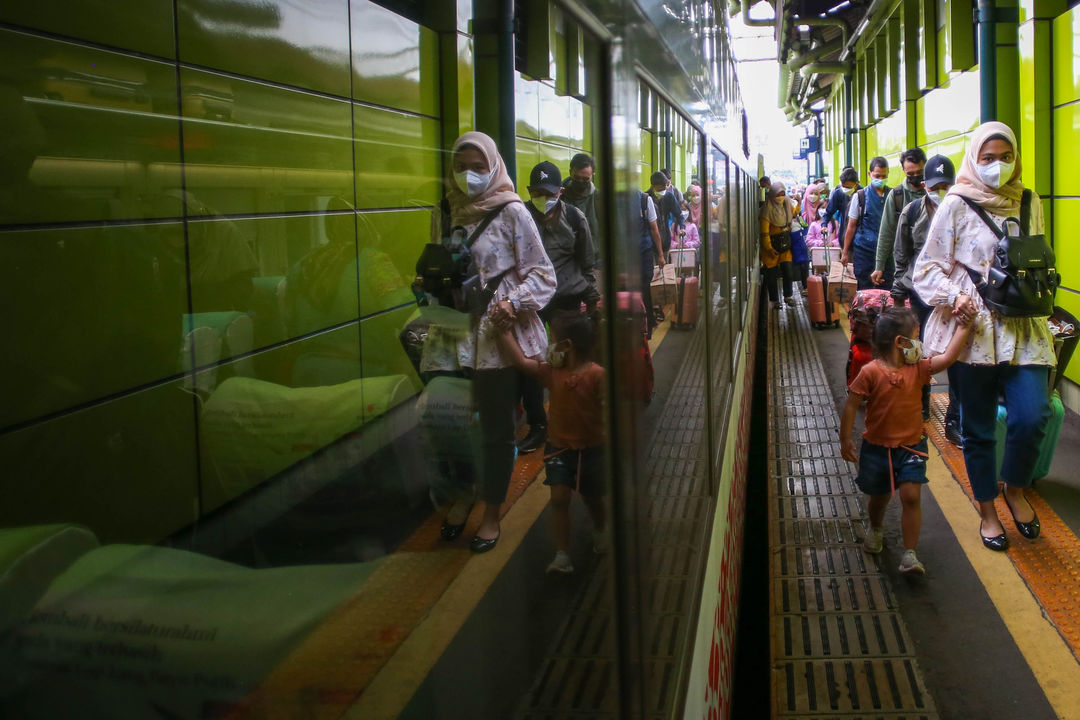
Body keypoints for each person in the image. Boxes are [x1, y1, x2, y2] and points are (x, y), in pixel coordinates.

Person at [913, 121, 1054, 552]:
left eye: (1006, 157)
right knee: (978, 430)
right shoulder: (955, 204)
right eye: (988, 158)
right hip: (972, 332)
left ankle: (1015, 488)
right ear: (975, 159)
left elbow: (1036, 257)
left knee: (1032, 418)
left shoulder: (1029, 202)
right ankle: (988, 510)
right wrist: (956, 297)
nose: (997, 167)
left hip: (1023, 329)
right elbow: (926, 268)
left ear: (1017, 159)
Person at [444, 131, 556, 553]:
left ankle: (491, 512)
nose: (468, 176)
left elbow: (544, 274)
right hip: (453, 335)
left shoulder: (512, 212)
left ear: (493, 166)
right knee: (449, 425)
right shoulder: (448, 210)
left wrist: (511, 303)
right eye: (460, 167)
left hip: (495, 339)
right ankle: (462, 493)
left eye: (477, 167)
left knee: (494, 432)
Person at [841, 307, 973, 574]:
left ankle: (910, 555)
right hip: (877, 447)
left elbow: (948, 358)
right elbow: (852, 404)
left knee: (911, 495)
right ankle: (876, 528)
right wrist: (845, 439)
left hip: (912, 445)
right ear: (901, 343)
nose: (919, 343)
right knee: (879, 497)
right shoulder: (870, 372)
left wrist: (964, 327)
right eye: (916, 336)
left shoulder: (920, 369)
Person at [496, 313, 606, 574]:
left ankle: (601, 528)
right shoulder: (551, 373)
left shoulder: (597, 375)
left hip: (592, 448)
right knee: (558, 498)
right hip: (559, 447)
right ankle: (562, 554)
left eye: (553, 339)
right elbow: (521, 361)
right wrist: (502, 332)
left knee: (593, 498)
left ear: (567, 345)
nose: (549, 345)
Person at [891, 154, 960, 428]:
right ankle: (920, 404)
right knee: (917, 350)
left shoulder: (963, 212)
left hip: (954, 295)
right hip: (920, 293)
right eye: (935, 187)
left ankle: (955, 417)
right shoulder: (912, 212)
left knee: (956, 354)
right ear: (925, 186)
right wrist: (899, 293)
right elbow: (901, 255)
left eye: (946, 187)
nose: (940, 193)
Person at [871, 148, 927, 289]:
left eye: (919, 173)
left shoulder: (935, 192)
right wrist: (879, 266)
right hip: (906, 267)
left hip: (934, 265)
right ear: (903, 171)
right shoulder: (896, 196)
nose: (915, 176)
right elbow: (886, 232)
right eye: (910, 174)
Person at [841, 156, 890, 289]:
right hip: (864, 252)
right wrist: (845, 251)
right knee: (864, 290)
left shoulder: (893, 196)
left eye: (883, 176)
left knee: (885, 292)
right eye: (877, 176)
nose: (880, 180)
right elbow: (851, 226)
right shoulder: (860, 196)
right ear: (869, 174)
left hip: (887, 254)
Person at [759, 181, 797, 309]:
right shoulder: (766, 210)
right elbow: (764, 232)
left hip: (785, 245)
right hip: (771, 247)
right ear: (772, 195)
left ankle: (788, 296)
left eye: (783, 194)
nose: (780, 197)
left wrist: (800, 201)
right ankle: (774, 300)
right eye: (778, 195)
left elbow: (794, 214)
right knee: (771, 274)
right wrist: (769, 248)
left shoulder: (787, 204)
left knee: (788, 270)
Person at [637, 189, 666, 335]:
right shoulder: (643, 198)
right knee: (642, 290)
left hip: (643, 253)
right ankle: (647, 323)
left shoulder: (643, 199)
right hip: (632, 255)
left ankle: (647, 324)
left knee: (644, 289)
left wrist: (661, 254)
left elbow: (654, 229)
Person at [561, 152, 600, 241]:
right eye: (577, 178)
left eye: (586, 179)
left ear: (593, 175)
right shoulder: (559, 196)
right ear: (570, 172)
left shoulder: (599, 199)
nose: (581, 182)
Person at [649, 170, 684, 256]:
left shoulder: (669, 197)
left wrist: (682, 227)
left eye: (664, 188)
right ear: (653, 186)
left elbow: (679, 214)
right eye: (660, 189)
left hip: (665, 240)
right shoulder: (646, 198)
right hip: (650, 243)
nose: (663, 191)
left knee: (665, 265)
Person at [826, 166, 858, 239]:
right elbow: (829, 211)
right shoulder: (838, 193)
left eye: (848, 187)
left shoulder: (863, 195)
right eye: (843, 186)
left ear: (856, 184)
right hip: (844, 232)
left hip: (858, 237)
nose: (845, 189)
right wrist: (824, 225)